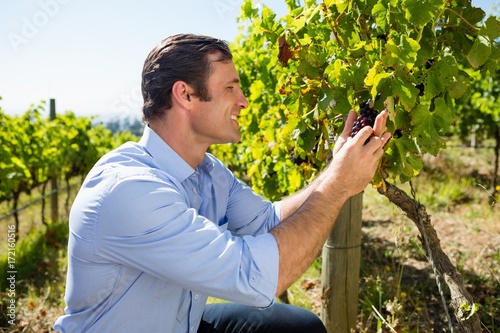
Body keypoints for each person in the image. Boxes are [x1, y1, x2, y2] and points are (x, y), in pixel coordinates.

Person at [54, 33, 390, 332]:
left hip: (180, 322)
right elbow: (259, 277)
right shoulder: (130, 190)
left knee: (297, 327)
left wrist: (335, 170)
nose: (243, 101)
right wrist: (339, 186)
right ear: (185, 94)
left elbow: (267, 222)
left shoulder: (209, 172)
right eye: (230, 88)